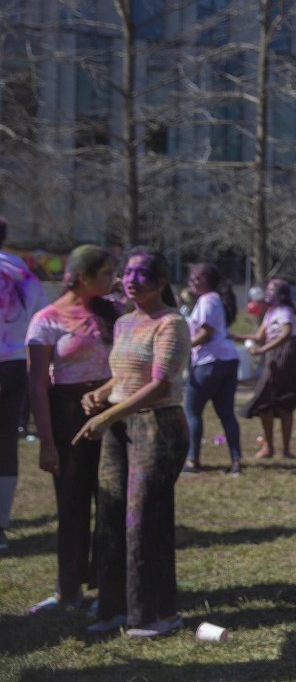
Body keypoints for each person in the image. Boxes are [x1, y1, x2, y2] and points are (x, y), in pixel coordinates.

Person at [75, 249, 190, 638]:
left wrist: (108, 414)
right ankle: (113, 607)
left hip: (157, 426)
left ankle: (156, 614)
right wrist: (100, 395)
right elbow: (125, 375)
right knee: (110, 514)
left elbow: (159, 384)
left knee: (144, 520)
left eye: (142, 274)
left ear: (161, 282)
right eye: (126, 273)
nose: (131, 280)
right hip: (120, 424)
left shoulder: (171, 323)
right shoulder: (124, 323)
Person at [25, 246, 117, 613]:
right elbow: (36, 386)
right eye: (107, 273)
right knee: (71, 503)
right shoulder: (46, 320)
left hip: (111, 414)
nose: (114, 280)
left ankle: (110, 589)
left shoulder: (113, 312)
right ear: (83, 277)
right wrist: (47, 441)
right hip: (67, 419)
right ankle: (68, 591)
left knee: (111, 501)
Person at [0, 216, 49, 552]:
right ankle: (0, 526)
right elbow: (42, 320)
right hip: (15, 365)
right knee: (6, 444)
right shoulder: (23, 274)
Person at [234, 278, 296, 459]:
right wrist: (236, 336)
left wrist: (262, 350)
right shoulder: (269, 313)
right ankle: (269, 447)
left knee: (285, 403)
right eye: (267, 289)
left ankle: (286, 450)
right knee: (264, 402)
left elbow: (285, 334)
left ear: (281, 294)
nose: (267, 292)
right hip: (273, 357)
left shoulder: (285, 311)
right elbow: (260, 336)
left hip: (287, 357)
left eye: (271, 289)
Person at [182, 264, 242, 475]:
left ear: (208, 280)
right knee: (226, 413)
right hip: (227, 360)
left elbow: (206, 332)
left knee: (192, 411)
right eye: (191, 277)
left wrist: (183, 347)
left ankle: (193, 460)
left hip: (209, 361)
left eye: (197, 278)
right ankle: (236, 461)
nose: (192, 281)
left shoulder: (208, 300)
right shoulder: (214, 299)